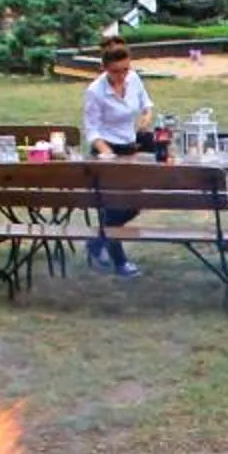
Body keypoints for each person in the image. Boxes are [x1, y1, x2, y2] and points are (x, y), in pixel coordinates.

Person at [78, 35, 152, 276]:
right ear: (105, 69)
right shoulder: (95, 92)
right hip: (106, 149)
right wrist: (106, 153)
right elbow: (92, 129)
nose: (122, 76)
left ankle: (96, 242)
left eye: (126, 70)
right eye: (116, 72)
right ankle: (120, 261)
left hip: (129, 147)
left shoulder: (134, 79)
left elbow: (145, 104)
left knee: (135, 203)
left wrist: (144, 119)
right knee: (111, 206)